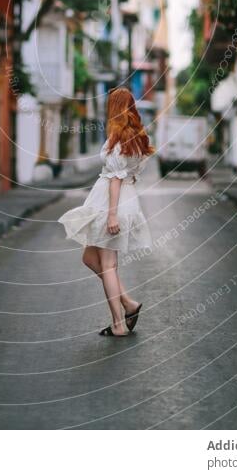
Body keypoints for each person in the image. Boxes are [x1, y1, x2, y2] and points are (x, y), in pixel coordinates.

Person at [58, 87, 154, 337]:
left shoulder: (118, 139)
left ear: (114, 108)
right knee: (90, 258)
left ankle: (118, 324)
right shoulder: (139, 137)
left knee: (109, 265)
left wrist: (112, 214)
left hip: (112, 204)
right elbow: (132, 173)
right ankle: (128, 303)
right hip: (127, 201)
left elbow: (115, 179)